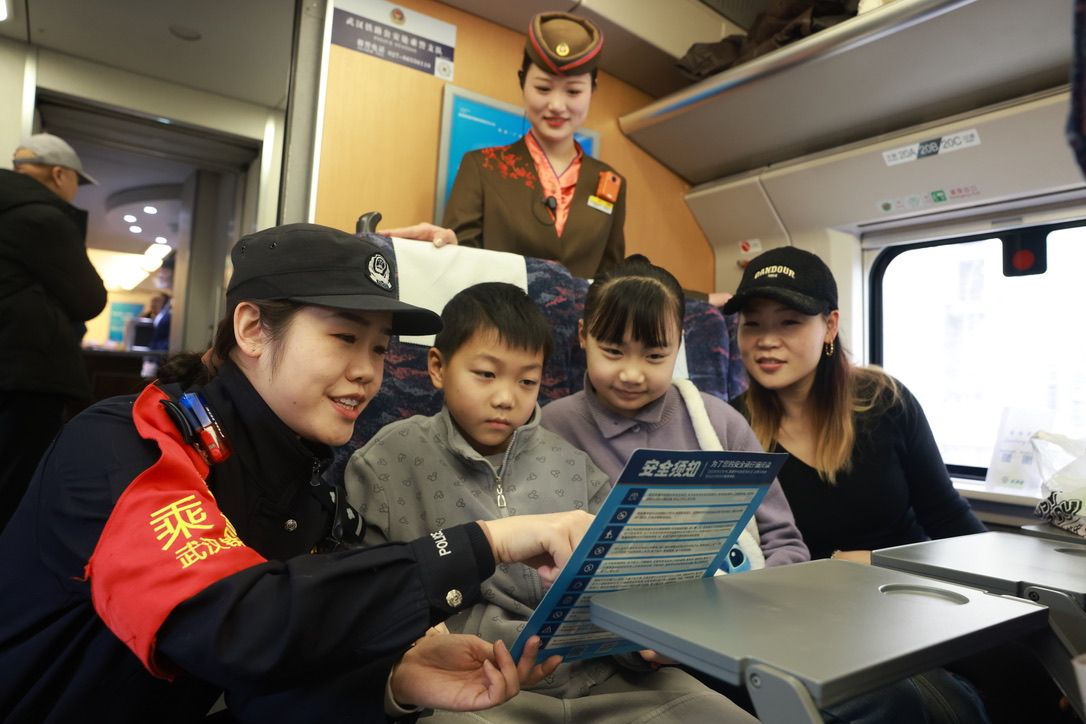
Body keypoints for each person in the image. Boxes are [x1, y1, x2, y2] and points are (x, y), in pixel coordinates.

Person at [0, 223, 597, 723]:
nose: (367, 372)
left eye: (380, 348)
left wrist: (393, 683)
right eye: (344, 337)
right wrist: (487, 542)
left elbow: (262, 684)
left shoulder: (307, 494)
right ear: (252, 329)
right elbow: (234, 626)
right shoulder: (126, 446)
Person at [345, 282, 759, 722]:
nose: (506, 398)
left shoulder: (574, 464)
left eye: (527, 381)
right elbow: (364, 603)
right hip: (478, 683)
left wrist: (646, 643)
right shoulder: (388, 462)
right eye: (485, 374)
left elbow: (616, 589)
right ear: (437, 367)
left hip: (603, 681)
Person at [722, 246, 998, 723]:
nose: (766, 341)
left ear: (829, 326)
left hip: (917, 599)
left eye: (789, 323)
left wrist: (1007, 591)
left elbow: (949, 518)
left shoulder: (885, 401)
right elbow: (741, 559)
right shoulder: (728, 428)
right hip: (817, 624)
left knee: (1034, 666)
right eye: (752, 324)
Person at [541, 254, 809, 568]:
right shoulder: (552, 428)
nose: (632, 374)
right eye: (613, 352)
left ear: (678, 345)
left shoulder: (721, 423)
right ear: (583, 336)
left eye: (654, 356)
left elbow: (784, 542)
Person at [385, 12, 625, 280]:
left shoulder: (609, 182)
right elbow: (462, 261)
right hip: (498, 308)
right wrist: (448, 249)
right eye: (543, 88)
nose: (557, 105)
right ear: (523, 82)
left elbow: (611, 280)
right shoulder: (482, 166)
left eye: (573, 91)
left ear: (592, 90)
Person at [0, 133, 107, 532]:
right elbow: (89, 298)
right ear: (60, 174)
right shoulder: (41, 217)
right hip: (27, 371)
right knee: (16, 486)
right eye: (77, 181)